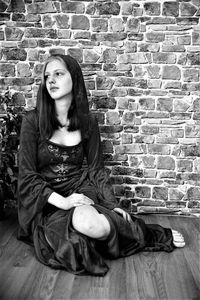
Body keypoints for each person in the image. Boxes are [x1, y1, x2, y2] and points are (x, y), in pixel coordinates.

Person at [17, 54, 185, 276]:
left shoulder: (88, 121)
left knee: (94, 225)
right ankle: (115, 233)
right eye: (47, 76)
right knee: (78, 243)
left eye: (58, 74)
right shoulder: (32, 120)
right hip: (47, 200)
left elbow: (96, 169)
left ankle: (145, 233)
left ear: (74, 78)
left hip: (80, 189)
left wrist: (111, 202)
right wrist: (64, 202)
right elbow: (27, 176)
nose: (51, 80)